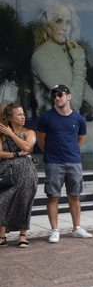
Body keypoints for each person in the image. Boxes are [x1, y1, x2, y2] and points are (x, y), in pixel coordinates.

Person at [31, 0, 93, 120]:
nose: (64, 27)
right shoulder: (41, 56)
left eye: (68, 22)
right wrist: (79, 60)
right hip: (53, 128)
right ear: (47, 25)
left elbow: (84, 90)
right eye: (58, 21)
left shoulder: (67, 51)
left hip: (70, 125)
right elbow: (73, 102)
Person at [36, 84, 93, 243]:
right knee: (53, 197)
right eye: (54, 96)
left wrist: (70, 152)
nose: (57, 98)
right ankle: (55, 230)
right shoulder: (46, 117)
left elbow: (79, 141)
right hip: (53, 162)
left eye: (60, 94)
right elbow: (42, 141)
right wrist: (52, 153)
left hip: (74, 162)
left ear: (69, 96)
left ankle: (77, 228)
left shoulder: (79, 119)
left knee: (74, 196)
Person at [0, 103, 38, 248]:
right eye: (19, 114)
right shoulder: (1, 134)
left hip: (27, 173)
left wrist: (11, 134)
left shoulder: (29, 132)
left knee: (24, 202)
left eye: (23, 114)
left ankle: (22, 235)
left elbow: (27, 147)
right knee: (2, 201)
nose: (23, 117)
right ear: (10, 117)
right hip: (6, 173)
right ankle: (1, 236)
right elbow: (0, 153)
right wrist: (16, 154)